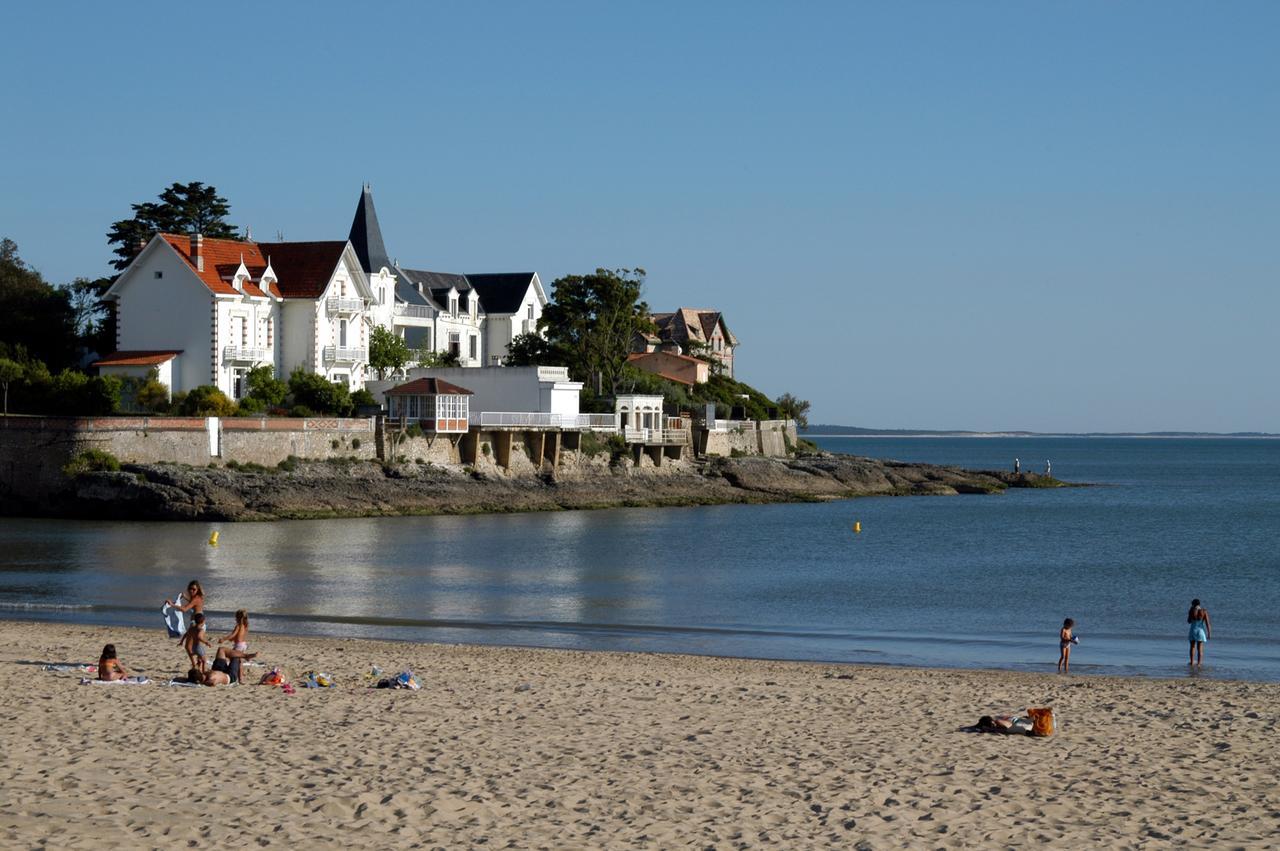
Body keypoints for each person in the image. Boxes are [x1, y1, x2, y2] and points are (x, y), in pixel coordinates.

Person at [1188, 598, 1212, 667]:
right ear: (1199, 604)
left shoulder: (1191, 610)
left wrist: (1191, 612)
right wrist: (1209, 633)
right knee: (1200, 648)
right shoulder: (1204, 611)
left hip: (1193, 630)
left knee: (1192, 647)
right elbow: (1207, 623)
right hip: (1200, 631)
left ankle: (1192, 662)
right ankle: (1199, 664)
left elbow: (1189, 621)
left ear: (1193, 604)